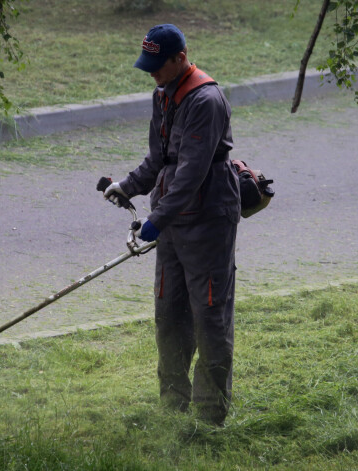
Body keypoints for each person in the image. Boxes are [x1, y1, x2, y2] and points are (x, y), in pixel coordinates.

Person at [104, 24, 241, 425]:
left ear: (180, 58)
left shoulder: (206, 100)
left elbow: (192, 173)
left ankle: (209, 415)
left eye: (158, 66)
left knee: (210, 314)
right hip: (171, 223)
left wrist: (155, 220)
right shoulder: (162, 96)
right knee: (169, 311)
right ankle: (173, 405)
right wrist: (126, 186)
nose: (153, 74)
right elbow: (160, 160)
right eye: (148, 67)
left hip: (207, 222)